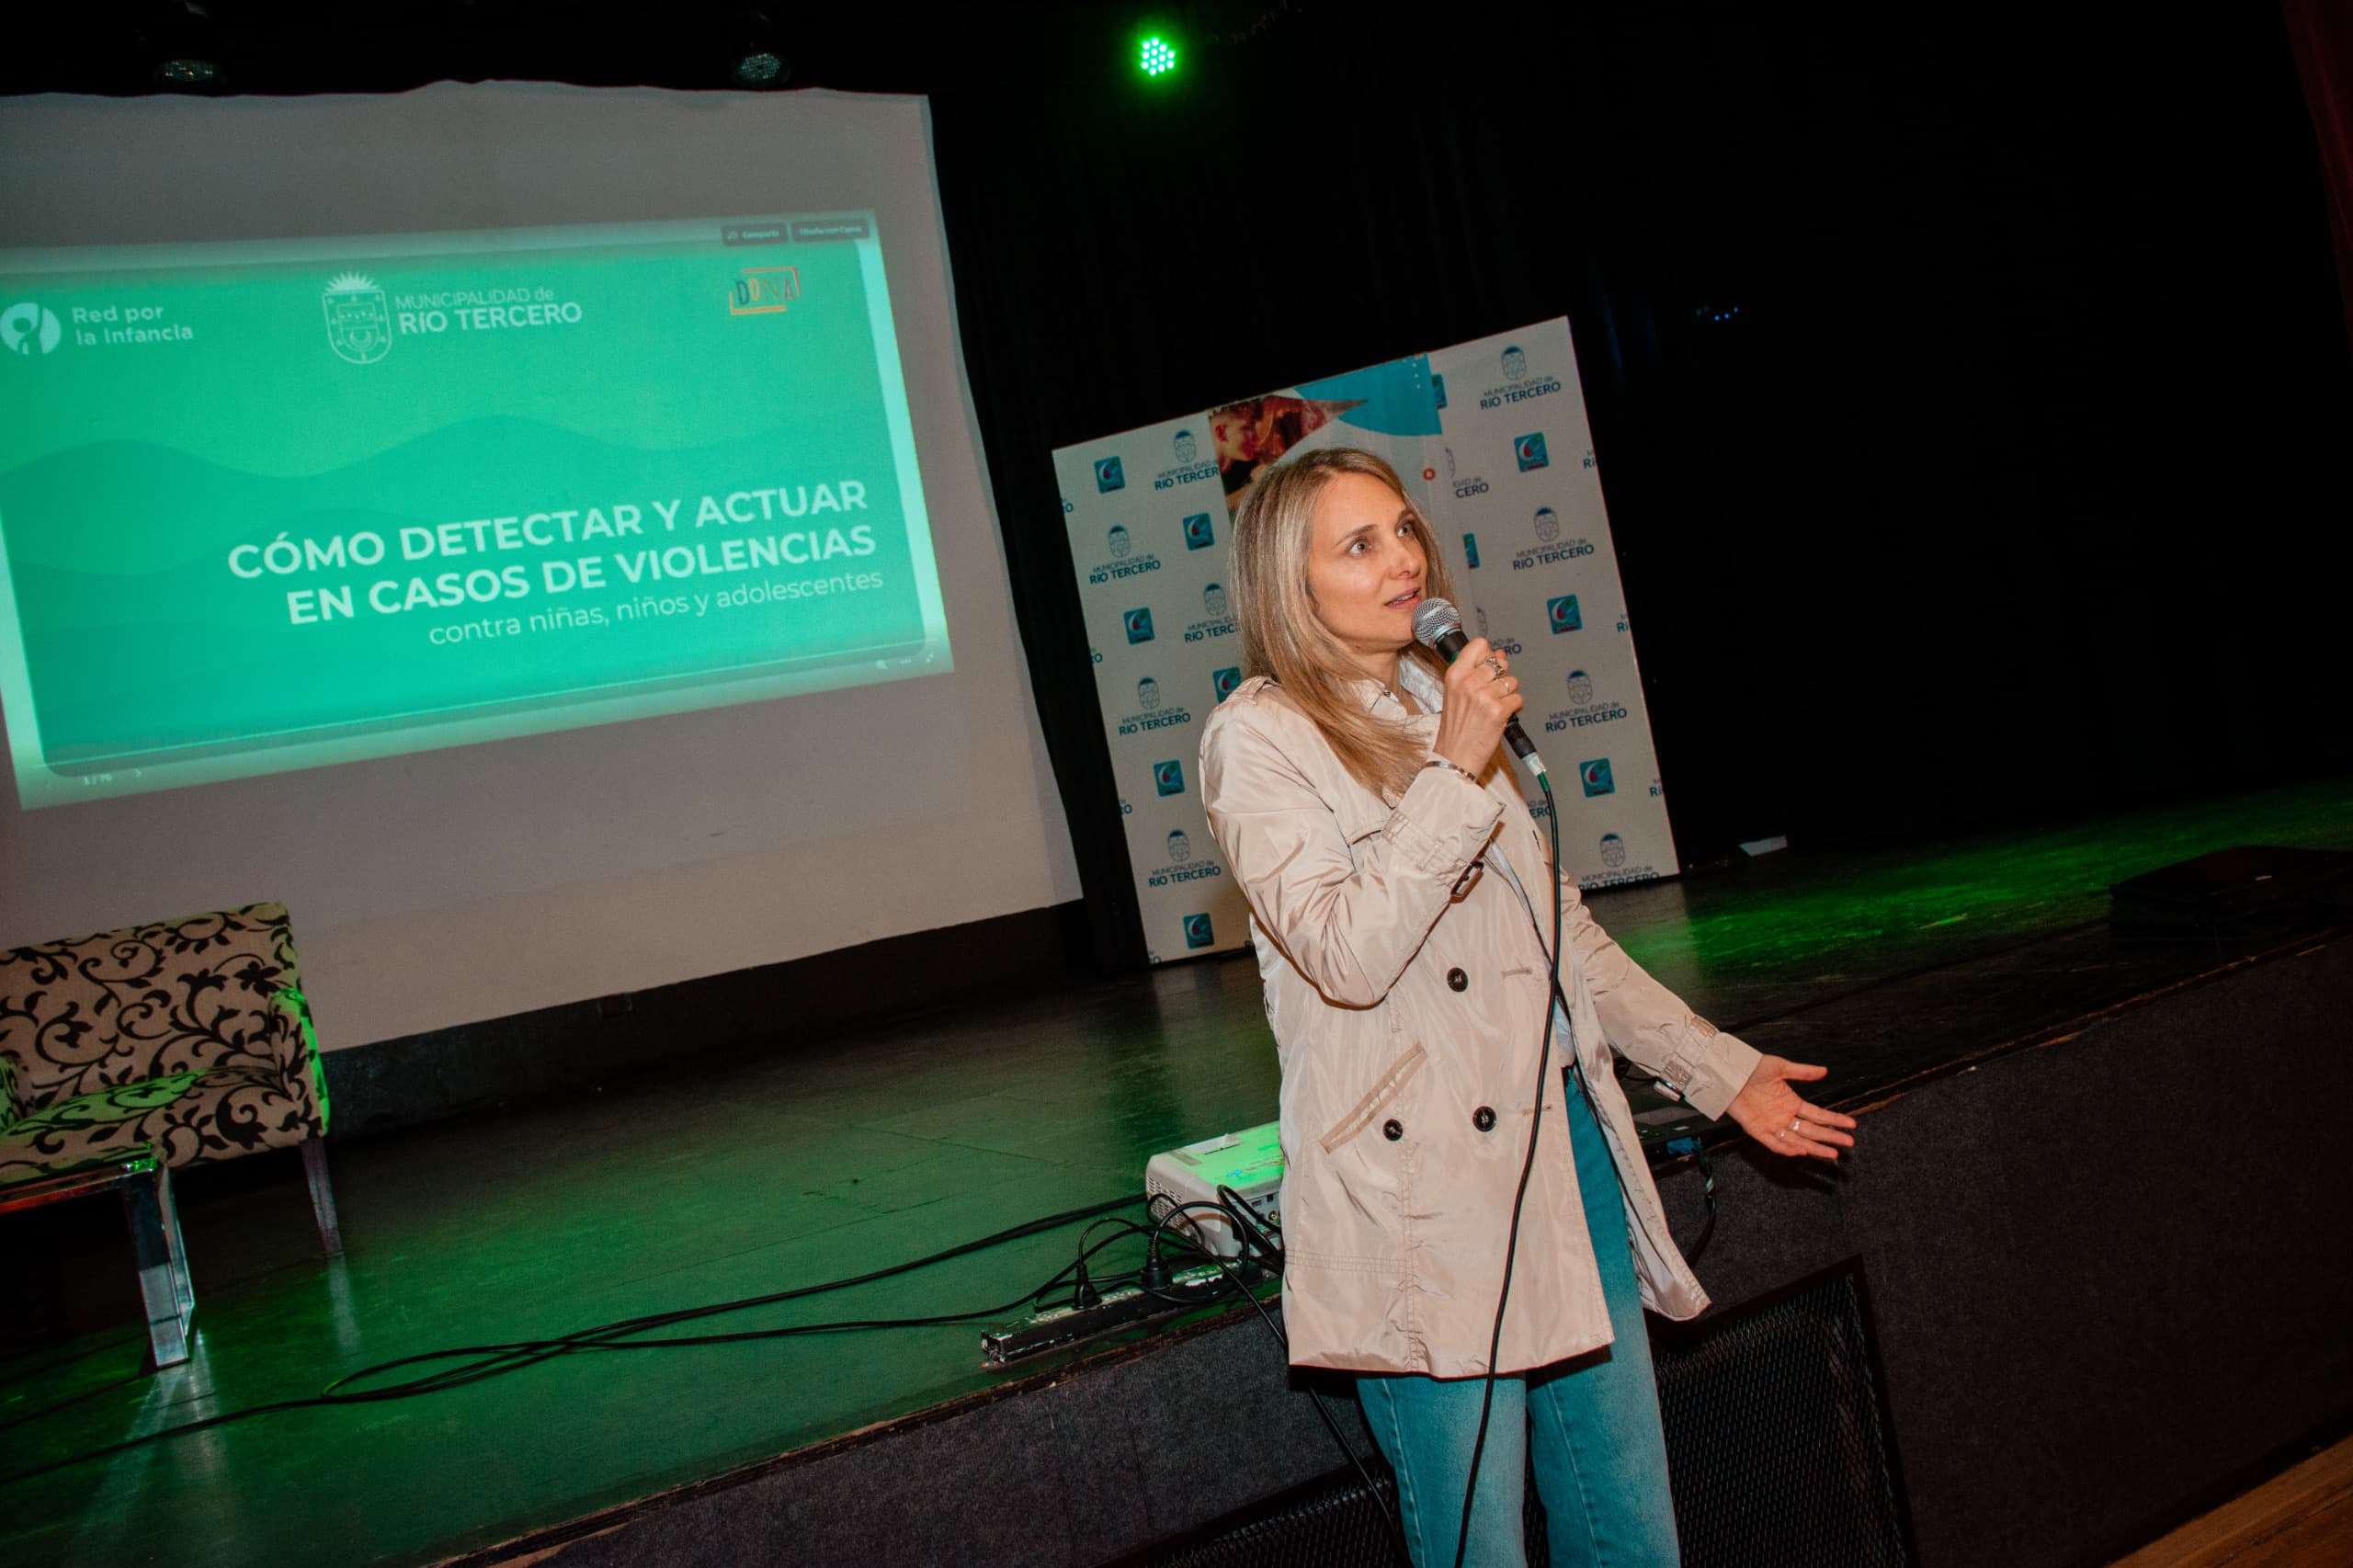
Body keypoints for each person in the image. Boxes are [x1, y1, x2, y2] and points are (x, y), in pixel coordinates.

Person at [1197, 447, 1857, 1566]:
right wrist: (1453, 773)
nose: (1403, 559)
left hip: (1564, 1144)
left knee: (1628, 1522)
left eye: (1403, 528)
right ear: (1286, 584)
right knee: (1480, 1543)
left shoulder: (1438, 696)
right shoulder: (1257, 737)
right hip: (1420, 1185)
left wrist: (1718, 1068)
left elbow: (1564, 937)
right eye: (1359, 544)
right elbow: (1347, 952)